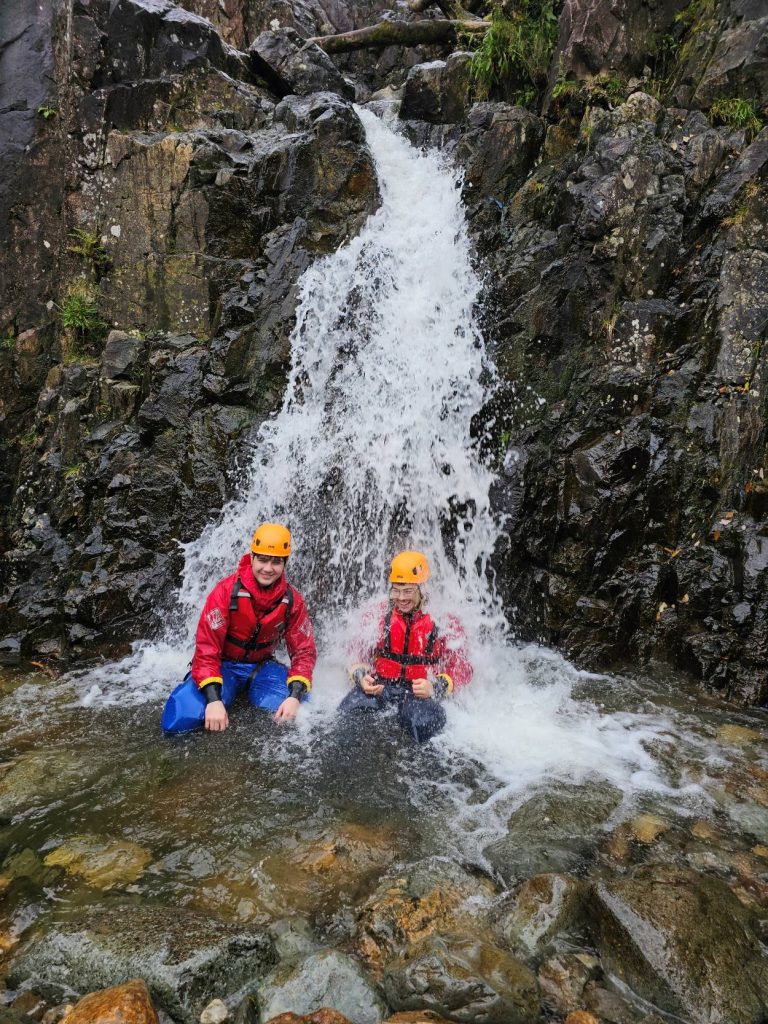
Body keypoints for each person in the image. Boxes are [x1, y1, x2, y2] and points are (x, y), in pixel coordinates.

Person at [161, 523, 316, 733]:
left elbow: (304, 652)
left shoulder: (292, 600)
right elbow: (206, 648)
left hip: (261, 667)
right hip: (223, 666)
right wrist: (213, 699)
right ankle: (221, 691)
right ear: (251, 557)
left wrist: (294, 696)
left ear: (284, 563)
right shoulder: (225, 592)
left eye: (276, 562)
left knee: (299, 712)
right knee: (178, 718)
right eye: (262, 559)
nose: (268, 568)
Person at [338, 551, 472, 743]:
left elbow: (463, 667)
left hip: (418, 692)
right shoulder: (377, 616)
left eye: (408, 591)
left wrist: (436, 687)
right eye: (396, 590)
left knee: (421, 725)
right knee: (346, 716)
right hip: (381, 685)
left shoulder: (444, 621)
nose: (401, 598)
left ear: (422, 589)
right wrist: (360, 675)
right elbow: (355, 651)